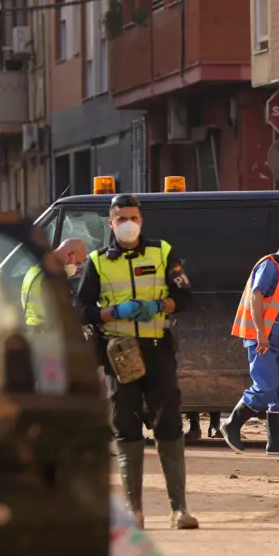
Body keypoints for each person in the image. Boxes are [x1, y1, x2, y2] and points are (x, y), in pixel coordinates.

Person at [74, 193, 198, 530]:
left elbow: (184, 296)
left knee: (169, 420)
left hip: (157, 348)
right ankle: (135, 512)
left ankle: (179, 509)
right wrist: (113, 312)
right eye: (121, 219)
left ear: (141, 221)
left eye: (134, 218)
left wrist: (158, 306)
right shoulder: (98, 262)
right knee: (125, 425)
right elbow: (81, 308)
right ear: (111, 223)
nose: (129, 224)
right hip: (120, 353)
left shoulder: (162, 252)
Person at [221, 233, 279, 455]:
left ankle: (276, 443)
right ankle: (232, 424)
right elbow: (256, 296)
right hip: (264, 341)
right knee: (266, 387)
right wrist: (261, 333)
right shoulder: (269, 266)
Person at [21, 237, 88, 327]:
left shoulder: (35, 270)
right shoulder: (49, 276)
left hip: (36, 328)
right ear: (70, 255)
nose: (77, 269)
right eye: (78, 263)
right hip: (47, 331)